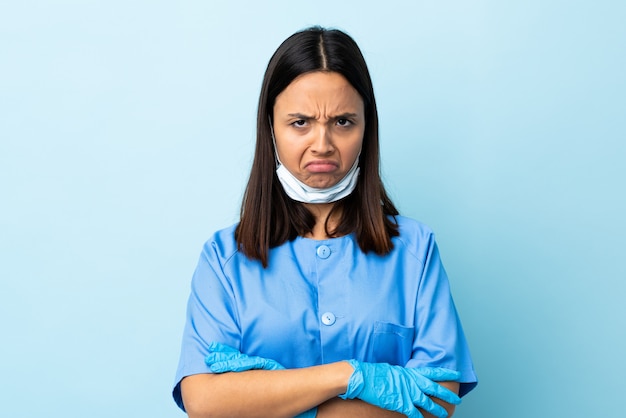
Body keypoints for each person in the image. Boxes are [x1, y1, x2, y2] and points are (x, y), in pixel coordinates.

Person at [172, 26, 477, 418]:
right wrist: (350, 376)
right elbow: (206, 402)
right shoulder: (223, 258)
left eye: (343, 122)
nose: (322, 144)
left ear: (367, 128)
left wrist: (269, 397)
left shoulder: (415, 250)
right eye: (300, 122)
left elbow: (437, 399)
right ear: (271, 129)